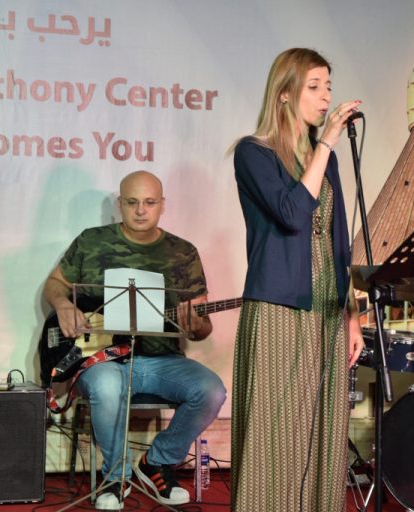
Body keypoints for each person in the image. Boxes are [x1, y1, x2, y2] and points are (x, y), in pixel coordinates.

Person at [43, 170, 226, 510]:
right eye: (132, 202)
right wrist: (63, 304)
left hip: (164, 361)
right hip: (102, 362)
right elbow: (54, 284)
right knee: (107, 387)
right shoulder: (91, 241)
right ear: (120, 204)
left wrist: (195, 324)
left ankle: (157, 461)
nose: (141, 210)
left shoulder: (183, 252)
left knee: (211, 391)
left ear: (162, 205)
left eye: (149, 202)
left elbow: (203, 328)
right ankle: (116, 476)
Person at [230, 48, 365, 511]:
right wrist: (324, 145)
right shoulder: (254, 152)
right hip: (279, 306)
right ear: (285, 93)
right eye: (314, 87)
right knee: (276, 431)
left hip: (327, 305)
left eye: (329, 87)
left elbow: (339, 240)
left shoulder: (327, 160)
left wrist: (352, 313)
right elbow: (292, 215)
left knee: (324, 428)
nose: (326, 97)